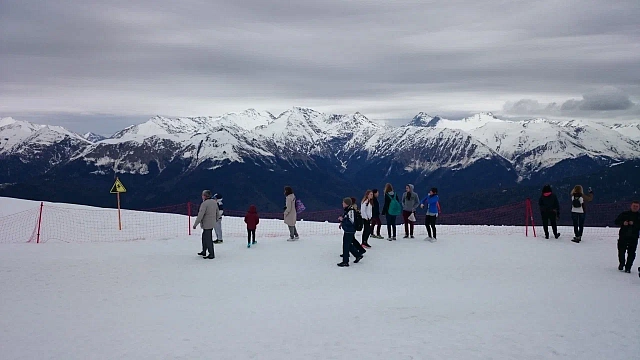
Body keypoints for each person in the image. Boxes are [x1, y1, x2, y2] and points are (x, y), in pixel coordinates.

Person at [192, 190, 220, 259]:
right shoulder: (214, 202)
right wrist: (215, 220)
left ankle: (211, 254)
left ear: (205, 196)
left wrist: (195, 224)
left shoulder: (204, 204)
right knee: (204, 237)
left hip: (206, 224)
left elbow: (200, 215)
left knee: (208, 238)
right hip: (212, 223)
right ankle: (204, 251)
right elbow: (217, 213)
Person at [614, 201, 640, 273]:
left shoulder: (639, 216)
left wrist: (634, 224)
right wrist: (623, 223)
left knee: (631, 253)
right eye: (634, 206)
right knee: (621, 251)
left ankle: (628, 267)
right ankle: (622, 263)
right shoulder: (624, 214)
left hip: (634, 237)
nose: (635, 207)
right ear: (631, 206)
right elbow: (616, 222)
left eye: (636, 206)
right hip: (623, 236)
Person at [337, 197, 363, 267]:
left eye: (343, 202)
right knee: (348, 244)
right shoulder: (348, 210)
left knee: (346, 244)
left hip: (349, 230)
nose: (342, 204)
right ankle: (357, 255)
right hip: (348, 230)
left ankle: (345, 261)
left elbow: (351, 222)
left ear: (346, 204)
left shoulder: (350, 211)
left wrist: (343, 220)